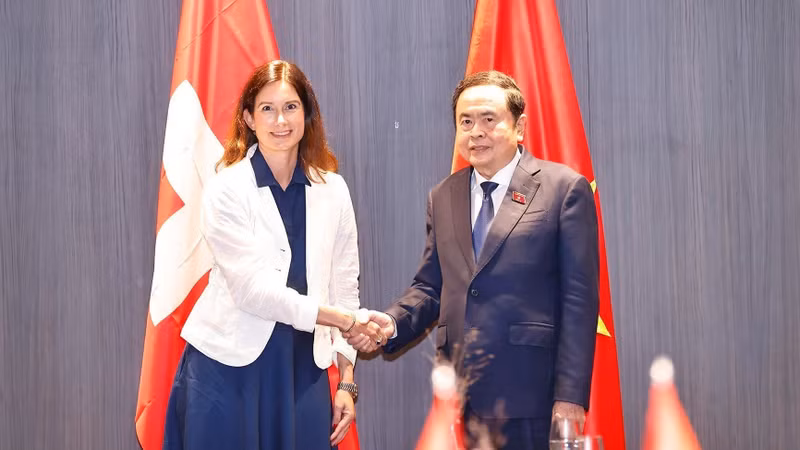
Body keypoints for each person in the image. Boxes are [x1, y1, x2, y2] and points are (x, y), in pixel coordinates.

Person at [347, 71, 599, 449]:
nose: (476, 132)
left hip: (535, 394)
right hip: (462, 393)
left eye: (488, 119)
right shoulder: (444, 196)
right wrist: (392, 323)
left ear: (519, 127)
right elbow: (431, 287)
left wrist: (570, 396)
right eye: (465, 122)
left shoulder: (563, 189)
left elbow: (579, 301)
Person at [163, 60, 383, 450]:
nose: (280, 120)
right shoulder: (226, 189)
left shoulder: (333, 190)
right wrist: (345, 320)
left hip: (303, 372)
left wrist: (346, 380)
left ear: (307, 114)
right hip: (228, 369)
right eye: (267, 108)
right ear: (249, 118)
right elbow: (254, 292)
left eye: (291, 107)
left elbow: (345, 286)